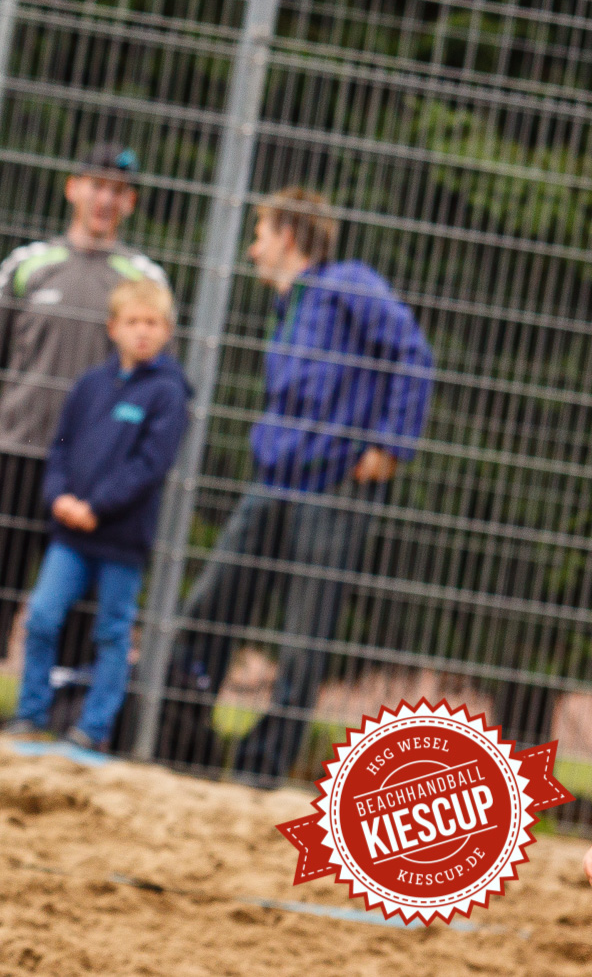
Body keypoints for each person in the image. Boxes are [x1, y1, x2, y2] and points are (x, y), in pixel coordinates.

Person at [161, 187, 433, 780]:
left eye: (260, 235)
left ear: (287, 237)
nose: (253, 249)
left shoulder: (347, 283)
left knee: (305, 637)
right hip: (275, 481)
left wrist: (390, 445)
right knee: (214, 603)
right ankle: (180, 735)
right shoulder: (292, 304)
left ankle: (261, 766)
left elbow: (414, 355)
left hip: (333, 486)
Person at [0, 142, 170, 735]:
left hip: (92, 474)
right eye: (95, 185)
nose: (104, 199)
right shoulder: (28, 262)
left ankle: (60, 728)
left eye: (117, 190)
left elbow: (156, 380)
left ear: (130, 201)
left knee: (80, 608)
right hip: (14, 453)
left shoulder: (143, 279)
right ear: (73, 188)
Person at [4, 280, 189, 747]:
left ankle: (94, 729)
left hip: (121, 540)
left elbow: (150, 465)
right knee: (42, 617)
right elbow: (59, 447)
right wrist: (59, 497)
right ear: (113, 328)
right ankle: (30, 715)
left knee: (112, 633)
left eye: (152, 323)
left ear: (167, 331)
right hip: (70, 533)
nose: (142, 332)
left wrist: (97, 508)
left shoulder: (169, 394)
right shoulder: (89, 385)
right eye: (132, 322)